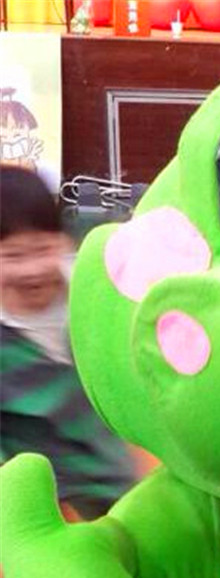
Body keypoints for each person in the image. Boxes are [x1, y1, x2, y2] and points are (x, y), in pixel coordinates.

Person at [0, 165, 137, 520]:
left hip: (128, 485)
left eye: (42, 249)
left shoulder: (94, 298)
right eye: (12, 256)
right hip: (50, 509)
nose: (31, 269)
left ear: (64, 242)